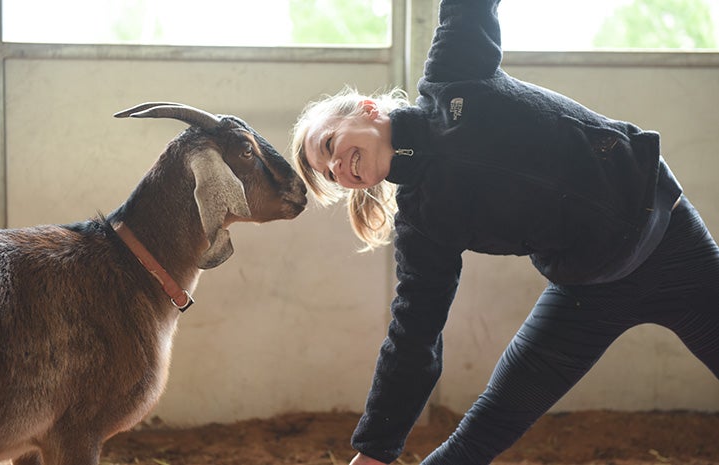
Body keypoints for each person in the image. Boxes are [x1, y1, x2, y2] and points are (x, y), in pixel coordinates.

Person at [289, 0, 719, 464]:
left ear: (367, 110)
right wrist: (374, 451)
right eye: (329, 174)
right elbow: (414, 335)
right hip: (589, 292)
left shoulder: (454, 73)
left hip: (671, 241)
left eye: (329, 145)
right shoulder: (422, 224)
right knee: (480, 435)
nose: (337, 167)